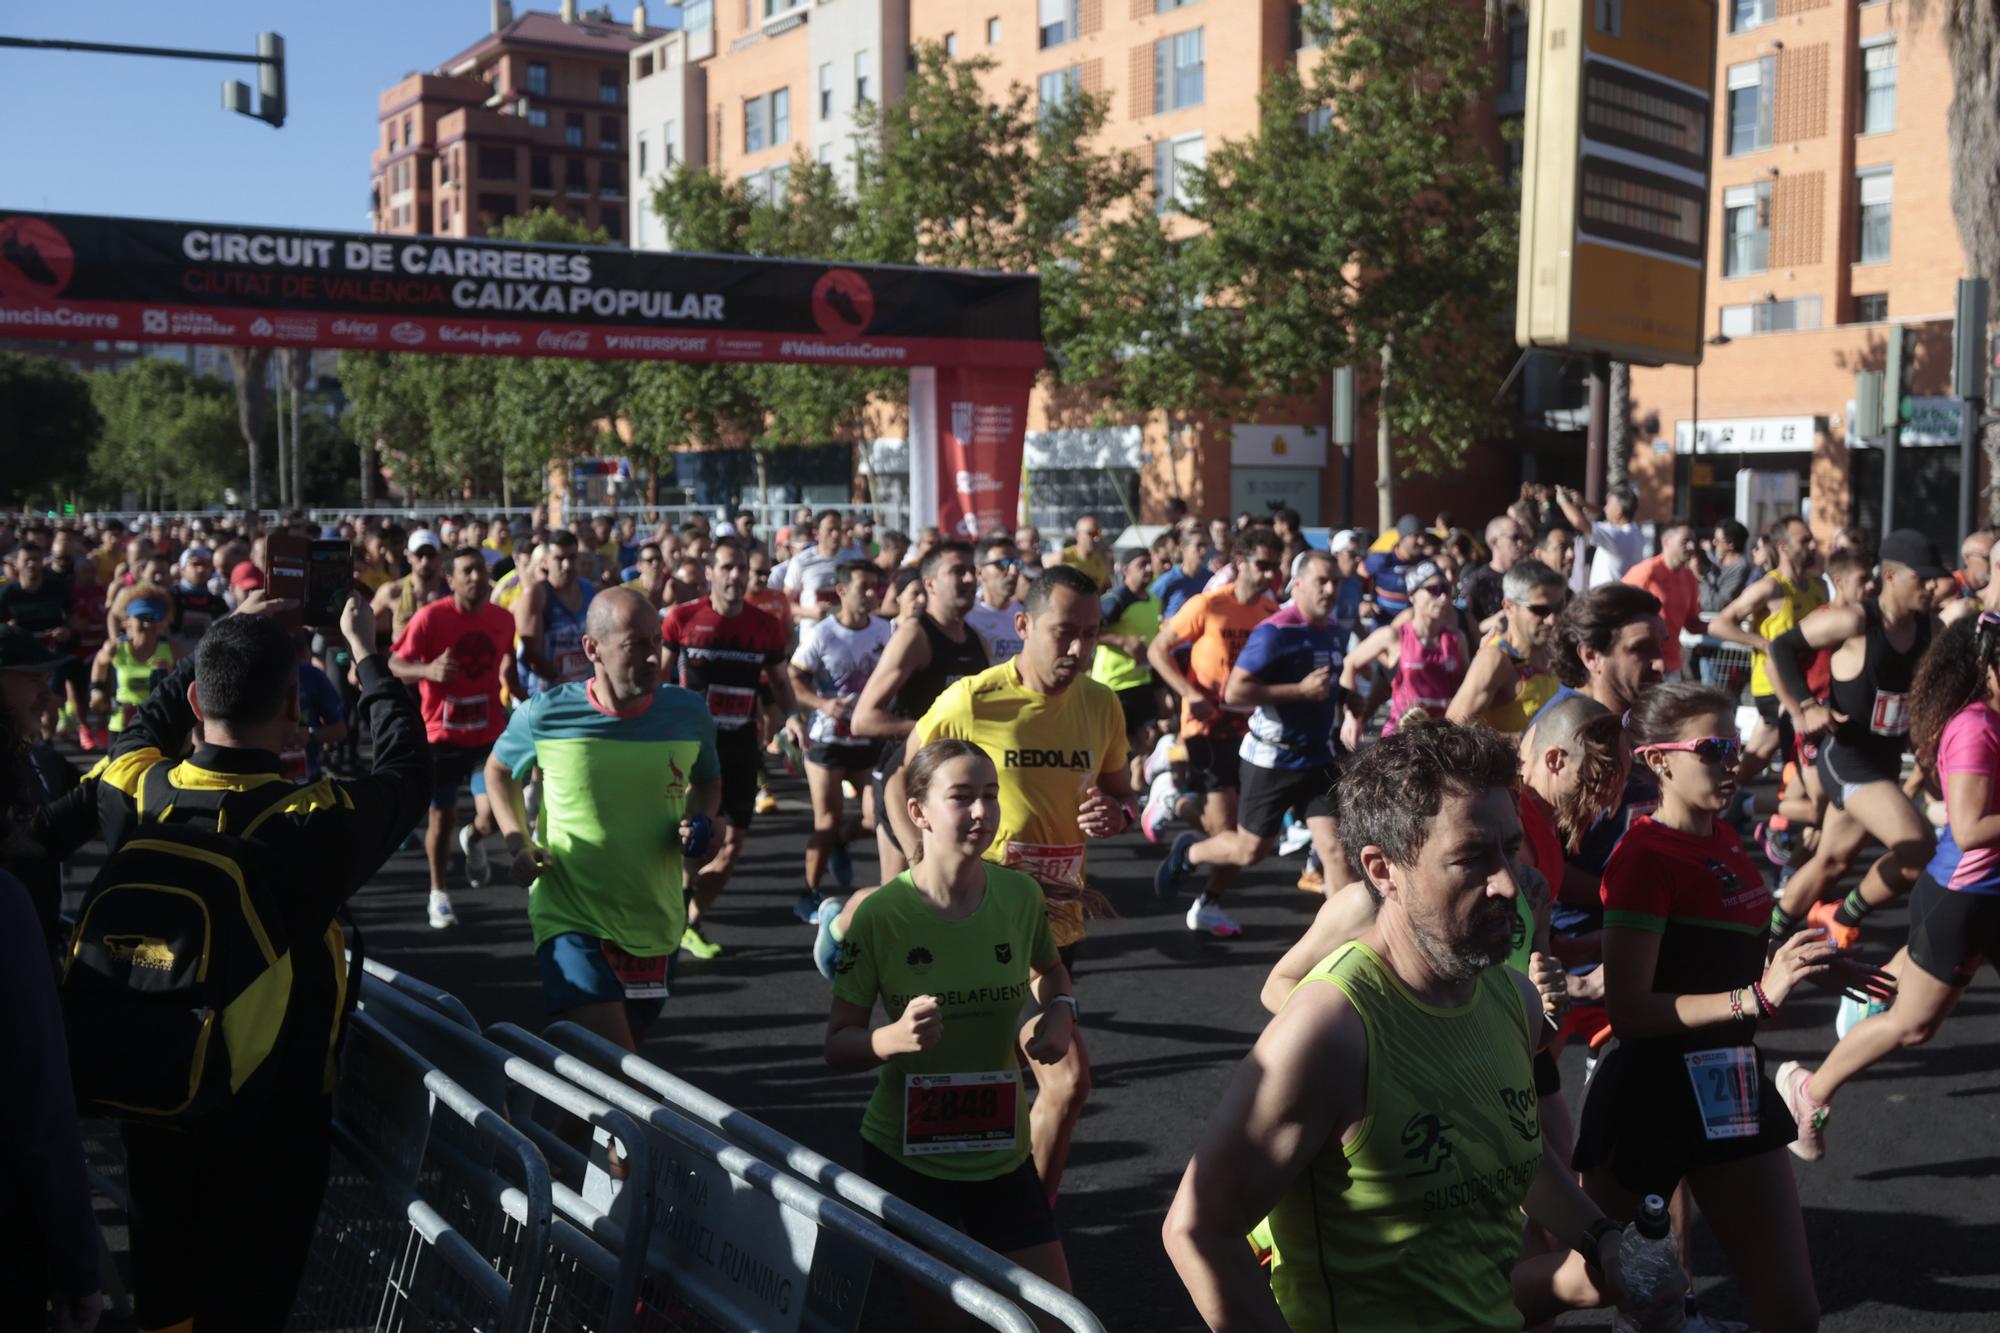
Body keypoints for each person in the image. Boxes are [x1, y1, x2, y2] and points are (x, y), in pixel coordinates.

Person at [1163, 722, 1646, 1331]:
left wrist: (1601, 1235)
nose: (1505, 882)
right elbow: (1198, 1228)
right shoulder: (1331, 1027)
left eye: (1509, 848)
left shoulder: (1511, 998)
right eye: (1471, 857)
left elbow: (1519, 1157)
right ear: (1382, 869)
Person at [92, 590, 431, 1331]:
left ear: (194, 696)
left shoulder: (140, 788)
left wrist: (221, 639)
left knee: (166, 1305)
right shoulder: (310, 822)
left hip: (154, 1095)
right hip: (274, 1119)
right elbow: (407, 769)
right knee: (248, 1307)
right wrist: (368, 656)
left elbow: (136, 734)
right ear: (292, 713)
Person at [1568, 682, 1885, 1332]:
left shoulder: (1725, 839)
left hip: (1732, 1083)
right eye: (1713, 748)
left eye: (1734, 747)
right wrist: (1757, 996)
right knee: (1630, 1301)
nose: (1732, 761)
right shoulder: (1641, 856)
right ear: (1659, 760)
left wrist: (1810, 963)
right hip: (1651, 1100)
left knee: (1794, 1310)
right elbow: (1627, 1010)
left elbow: (1727, 952)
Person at [892, 564, 1133, 1202]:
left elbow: (1120, 797)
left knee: (1034, 1081)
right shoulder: (974, 698)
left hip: (1056, 918)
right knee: (1051, 1080)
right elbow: (899, 781)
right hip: (979, 914)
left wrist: (1116, 816)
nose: (1079, 650)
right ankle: (1004, 1218)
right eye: (1063, 633)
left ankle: (1022, 1216)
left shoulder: (1102, 704)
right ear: (1023, 626)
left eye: (1091, 634)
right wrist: (922, 865)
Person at [824, 739, 1079, 1323]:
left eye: (989, 796)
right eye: (961, 797)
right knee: (949, 1324)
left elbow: (1051, 971)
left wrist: (1061, 1009)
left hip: (1001, 1148)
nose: (981, 812)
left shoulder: (1019, 896)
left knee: (1058, 1317)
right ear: (919, 812)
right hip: (909, 1155)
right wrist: (891, 1040)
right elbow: (837, 1043)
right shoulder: (881, 914)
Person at [1775, 610, 2000, 1160]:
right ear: (1989, 663)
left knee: (1901, 1001)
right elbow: (1968, 829)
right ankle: (1808, 1090)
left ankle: (1866, 997)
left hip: (1981, 897)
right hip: (1963, 899)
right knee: (1913, 1027)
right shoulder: (1975, 726)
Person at [486, 587, 721, 1052]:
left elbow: (710, 782)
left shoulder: (688, 713)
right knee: (622, 1067)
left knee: (599, 1069)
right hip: (569, 915)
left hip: (655, 919)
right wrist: (517, 842)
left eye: (657, 641)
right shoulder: (546, 714)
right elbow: (497, 771)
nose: (655, 657)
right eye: (637, 645)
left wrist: (700, 822)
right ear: (592, 648)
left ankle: (542, 1124)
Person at [1766, 528, 1942, 946]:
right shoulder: (1856, 620)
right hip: (1846, 757)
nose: (1933, 586)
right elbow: (1782, 647)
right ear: (1893, 577)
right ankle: (1842, 916)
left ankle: (1762, 939)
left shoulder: (1927, 627)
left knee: (1831, 860)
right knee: (1919, 847)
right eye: (1924, 578)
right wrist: (1804, 706)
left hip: (1883, 760)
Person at [1157, 550, 1345, 938]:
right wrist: (1300, 690)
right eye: (1321, 581)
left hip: (1318, 756)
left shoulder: (1333, 629)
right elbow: (1237, 691)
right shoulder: (1275, 630)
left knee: (1335, 849)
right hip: (1273, 757)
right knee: (1250, 850)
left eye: (1335, 582)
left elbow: (1324, 684)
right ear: (1299, 584)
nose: (1330, 589)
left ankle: (1344, 947)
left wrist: (1345, 697)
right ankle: (1190, 851)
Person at [661, 537, 799, 956]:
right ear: (710, 571)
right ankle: (670, 913)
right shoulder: (682, 618)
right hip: (687, 749)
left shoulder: (765, 625)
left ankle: (691, 918)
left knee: (729, 848)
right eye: (727, 567)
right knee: (681, 838)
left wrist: (789, 719)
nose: (736, 576)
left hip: (740, 748)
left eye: (742, 568)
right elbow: (660, 681)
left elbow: (779, 685)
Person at [390, 547, 518, 930]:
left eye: (480, 570)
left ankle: (475, 839)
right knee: (440, 819)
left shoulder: (503, 619)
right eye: (467, 571)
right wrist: (428, 669)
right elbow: (394, 665)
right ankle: (438, 893)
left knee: (492, 815)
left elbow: (505, 659)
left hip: (487, 734)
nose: (476, 577)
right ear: (451, 579)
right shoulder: (431, 618)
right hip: (441, 735)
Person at [852, 541, 991, 885]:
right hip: (904, 778)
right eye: (957, 571)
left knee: (952, 887)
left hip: (953, 783)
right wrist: (930, 729)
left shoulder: (977, 641)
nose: (969, 579)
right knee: (906, 891)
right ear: (929, 584)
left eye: (972, 571)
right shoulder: (915, 635)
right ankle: (839, 924)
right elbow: (863, 719)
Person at [1143, 528, 1283, 863]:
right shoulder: (1208, 605)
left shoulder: (1271, 611)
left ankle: (1174, 801)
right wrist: (1189, 694)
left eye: (1274, 567)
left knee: (1236, 832)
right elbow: (1157, 650)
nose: (1268, 574)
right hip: (1206, 722)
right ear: (1240, 563)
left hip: (1250, 727)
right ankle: (1171, 801)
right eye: (1262, 565)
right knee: (1224, 834)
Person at [789, 560, 894, 923]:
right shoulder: (822, 634)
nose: (871, 594)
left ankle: (842, 842)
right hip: (827, 742)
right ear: (842, 591)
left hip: (868, 739)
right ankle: (808, 892)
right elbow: (793, 679)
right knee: (826, 819)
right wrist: (822, 703)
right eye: (863, 587)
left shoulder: (885, 630)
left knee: (875, 817)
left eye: (875, 588)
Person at [1708, 515, 1824, 783]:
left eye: (1812, 540)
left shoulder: (1817, 589)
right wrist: (1764, 644)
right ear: (1783, 547)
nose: (1812, 546)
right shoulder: (1771, 587)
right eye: (1804, 541)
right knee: (1803, 755)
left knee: (1757, 756)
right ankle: (1790, 812)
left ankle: (1723, 800)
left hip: (1805, 684)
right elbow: (1719, 624)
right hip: (1775, 686)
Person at [1339, 559, 1468, 742]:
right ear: (1413, 595)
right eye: (1434, 590)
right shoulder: (1394, 636)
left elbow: (1467, 689)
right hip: (1402, 739)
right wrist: (1351, 716)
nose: (1443, 598)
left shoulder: (1456, 638)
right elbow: (1350, 663)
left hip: (1442, 740)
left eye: (1446, 590)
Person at [1446, 559, 1566, 735]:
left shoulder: (1554, 651)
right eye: (1540, 611)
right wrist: (1524, 742)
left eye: (1558, 608)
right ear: (1509, 607)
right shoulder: (1495, 659)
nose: (1552, 620)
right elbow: (1450, 733)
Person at [1089, 548, 1162, 791]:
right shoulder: (1116, 600)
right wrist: (1123, 642)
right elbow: (1091, 631)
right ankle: (1108, 788)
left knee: (1150, 735)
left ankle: (1134, 784)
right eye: (1142, 565)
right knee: (1112, 742)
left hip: (1141, 679)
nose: (1149, 570)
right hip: (1114, 682)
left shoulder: (1153, 600)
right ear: (1125, 569)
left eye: (1150, 564)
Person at [516, 529, 598, 697]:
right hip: (546, 695)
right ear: (545, 562)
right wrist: (562, 682)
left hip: (585, 692)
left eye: (572, 558)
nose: (567, 565)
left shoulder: (590, 591)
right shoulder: (536, 594)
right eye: (559, 559)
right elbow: (532, 655)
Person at [89, 587, 179, 737]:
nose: (148, 624)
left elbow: (192, 673)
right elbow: (99, 663)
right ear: (128, 621)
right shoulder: (116, 648)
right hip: (122, 725)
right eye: (142, 618)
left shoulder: (171, 648)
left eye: (154, 618)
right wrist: (96, 692)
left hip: (157, 724)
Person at [1621, 521, 1703, 677]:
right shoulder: (1646, 571)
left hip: (1672, 666)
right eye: (1685, 541)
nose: (1692, 547)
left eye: (1693, 541)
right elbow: (1616, 607)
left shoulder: (1689, 578)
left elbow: (1692, 623)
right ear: (1666, 542)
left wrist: (1725, 625)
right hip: (1644, 665)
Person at [1555, 484, 1645, 588]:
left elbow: (1579, 522)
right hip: (1620, 595)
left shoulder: (1617, 535)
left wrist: (1562, 500)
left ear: (1619, 511)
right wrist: (1584, 504)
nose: (1605, 509)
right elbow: (1601, 515)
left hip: (1607, 599)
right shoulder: (1634, 532)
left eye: (1608, 505)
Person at [371, 528, 450, 645]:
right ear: (408, 555)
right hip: (403, 661)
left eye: (430, 555)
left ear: (440, 556)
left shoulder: (452, 592)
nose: (425, 561)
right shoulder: (392, 592)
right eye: (419, 554)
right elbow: (360, 624)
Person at [1459, 514, 1528, 629]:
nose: (1521, 543)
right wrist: (1495, 621)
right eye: (1515, 537)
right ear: (1495, 542)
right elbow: (1464, 627)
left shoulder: (1527, 577)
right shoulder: (1478, 582)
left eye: (1522, 537)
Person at [785, 510, 855, 621]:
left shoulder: (851, 559)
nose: (835, 534)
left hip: (844, 633)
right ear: (816, 533)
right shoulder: (801, 561)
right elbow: (785, 602)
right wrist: (810, 613)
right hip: (812, 633)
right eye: (830, 529)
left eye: (838, 529)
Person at [967, 534, 1026, 664]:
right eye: (1002, 564)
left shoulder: (1025, 614)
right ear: (979, 572)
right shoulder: (967, 617)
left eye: (1016, 563)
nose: (1013, 571)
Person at [1361, 515, 1425, 623]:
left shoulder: (1426, 563)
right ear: (1402, 537)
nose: (1422, 541)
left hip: (1414, 630)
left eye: (1423, 536)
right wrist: (1363, 602)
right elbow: (1354, 579)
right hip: (1383, 629)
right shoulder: (1380, 560)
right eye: (1416, 536)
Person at [1149, 526, 1213, 621]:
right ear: (1183, 547)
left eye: (1206, 546)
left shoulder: (1212, 579)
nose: (1204, 551)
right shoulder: (1167, 581)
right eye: (1199, 545)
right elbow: (1149, 614)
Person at [1058, 513, 1111, 593]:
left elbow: (1106, 588)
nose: (1096, 538)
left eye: (1097, 533)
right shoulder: (1063, 557)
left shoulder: (1103, 560)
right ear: (1078, 534)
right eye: (1091, 534)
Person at [623, 541, 674, 617]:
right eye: (650, 560)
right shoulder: (628, 591)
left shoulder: (673, 586)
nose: (655, 563)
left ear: (663, 562)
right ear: (639, 566)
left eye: (658, 559)